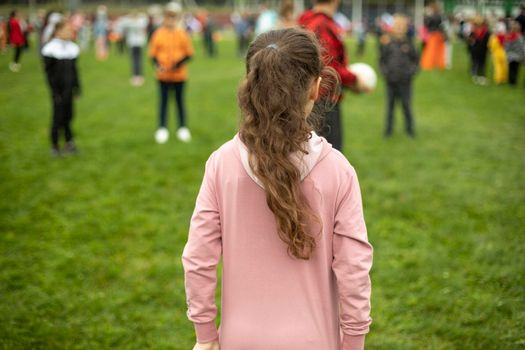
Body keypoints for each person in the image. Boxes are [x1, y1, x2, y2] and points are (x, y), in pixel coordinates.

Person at [182, 28, 372, 350]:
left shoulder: (222, 163)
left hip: (238, 340)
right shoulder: (339, 170)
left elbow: (198, 259)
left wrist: (205, 336)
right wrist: (353, 342)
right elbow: (354, 271)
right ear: (316, 88)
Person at [298, 0, 363, 152]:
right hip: (323, 99)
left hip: (308, 95)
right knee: (328, 155)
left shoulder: (308, 20)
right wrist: (354, 80)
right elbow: (328, 66)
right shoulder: (322, 24)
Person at [148, 2, 194, 144]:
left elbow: (189, 54)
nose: (170, 20)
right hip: (163, 76)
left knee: (180, 102)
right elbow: (152, 54)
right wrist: (158, 65)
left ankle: (182, 128)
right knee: (163, 102)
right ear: (164, 18)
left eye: (173, 17)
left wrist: (178, 64)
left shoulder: (182, 34)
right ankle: (162, 128)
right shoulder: (158, 34)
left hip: (179, 76)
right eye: (168, 17)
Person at [41, 20, 81, 157]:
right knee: (57, 117)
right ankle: (55, 145)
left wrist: (77, 88)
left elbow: (75, 71)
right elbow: (49, 74)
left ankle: (69, 143)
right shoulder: (50, 49)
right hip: (58, 91)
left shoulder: (72, 48)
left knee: (69, 116)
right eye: (66, 30)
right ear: (57, 31)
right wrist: (55, 92)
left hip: (69, 90)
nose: (70, 32)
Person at [379, 15, 419, 138]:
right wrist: (386, 73)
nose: (399, 29)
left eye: (402, 26)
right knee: (390, 107)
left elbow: (416, 61)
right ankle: (388, 130)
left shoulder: (409, 43)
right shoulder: (387, 43)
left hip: (405, 81)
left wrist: (410, 73)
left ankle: (409, 130)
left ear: (406, 28)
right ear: (392, 28)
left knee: (406, 106)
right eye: (397, 26)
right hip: (391, 81)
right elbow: (381, 61)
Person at [120, 11, 148, 86]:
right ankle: (139, 75)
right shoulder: (140, 22)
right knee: (138, 60)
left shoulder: (130, 23)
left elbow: (123, 21)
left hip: (133, 43)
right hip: (138, 43)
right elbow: (144, 18)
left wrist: (130, 16)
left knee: (135, 60)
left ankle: (136, 76)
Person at [420, 1, 446, 70]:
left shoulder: (431, 16)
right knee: (438, 51)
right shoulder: (439, 16)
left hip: (432, 35)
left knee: (430, 50)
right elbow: (441, 26)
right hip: (438, 35)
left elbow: (427, 25)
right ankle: (437, 63)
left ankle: (429, 63)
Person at [468, 16, 490, 85]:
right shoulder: (486, 32)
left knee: (476, 62)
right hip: (483, 50)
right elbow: (488, 42)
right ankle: (481, 77)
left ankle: (476, 76)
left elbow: (470, 40)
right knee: (482, 64)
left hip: (475, 49)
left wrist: (472, 45)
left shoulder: (474, 31)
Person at [505, 20, 525, 86]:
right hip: (517, 56)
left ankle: (511, 82)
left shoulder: (509, 36)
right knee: (516, 70)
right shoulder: (520, 37)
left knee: (510, 69)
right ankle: (514, 82)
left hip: (510, 56)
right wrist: (523, 56)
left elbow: (506, 46)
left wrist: (507, 53)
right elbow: (522, 47)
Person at [488, 20, 508, 85]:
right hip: (504, 52)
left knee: (498, 66)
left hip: (496, 53)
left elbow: (490, 46)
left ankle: (498, 79)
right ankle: (504, 78)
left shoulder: (494, 37)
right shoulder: (505, 37)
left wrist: (491, 51)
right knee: (504, 66)